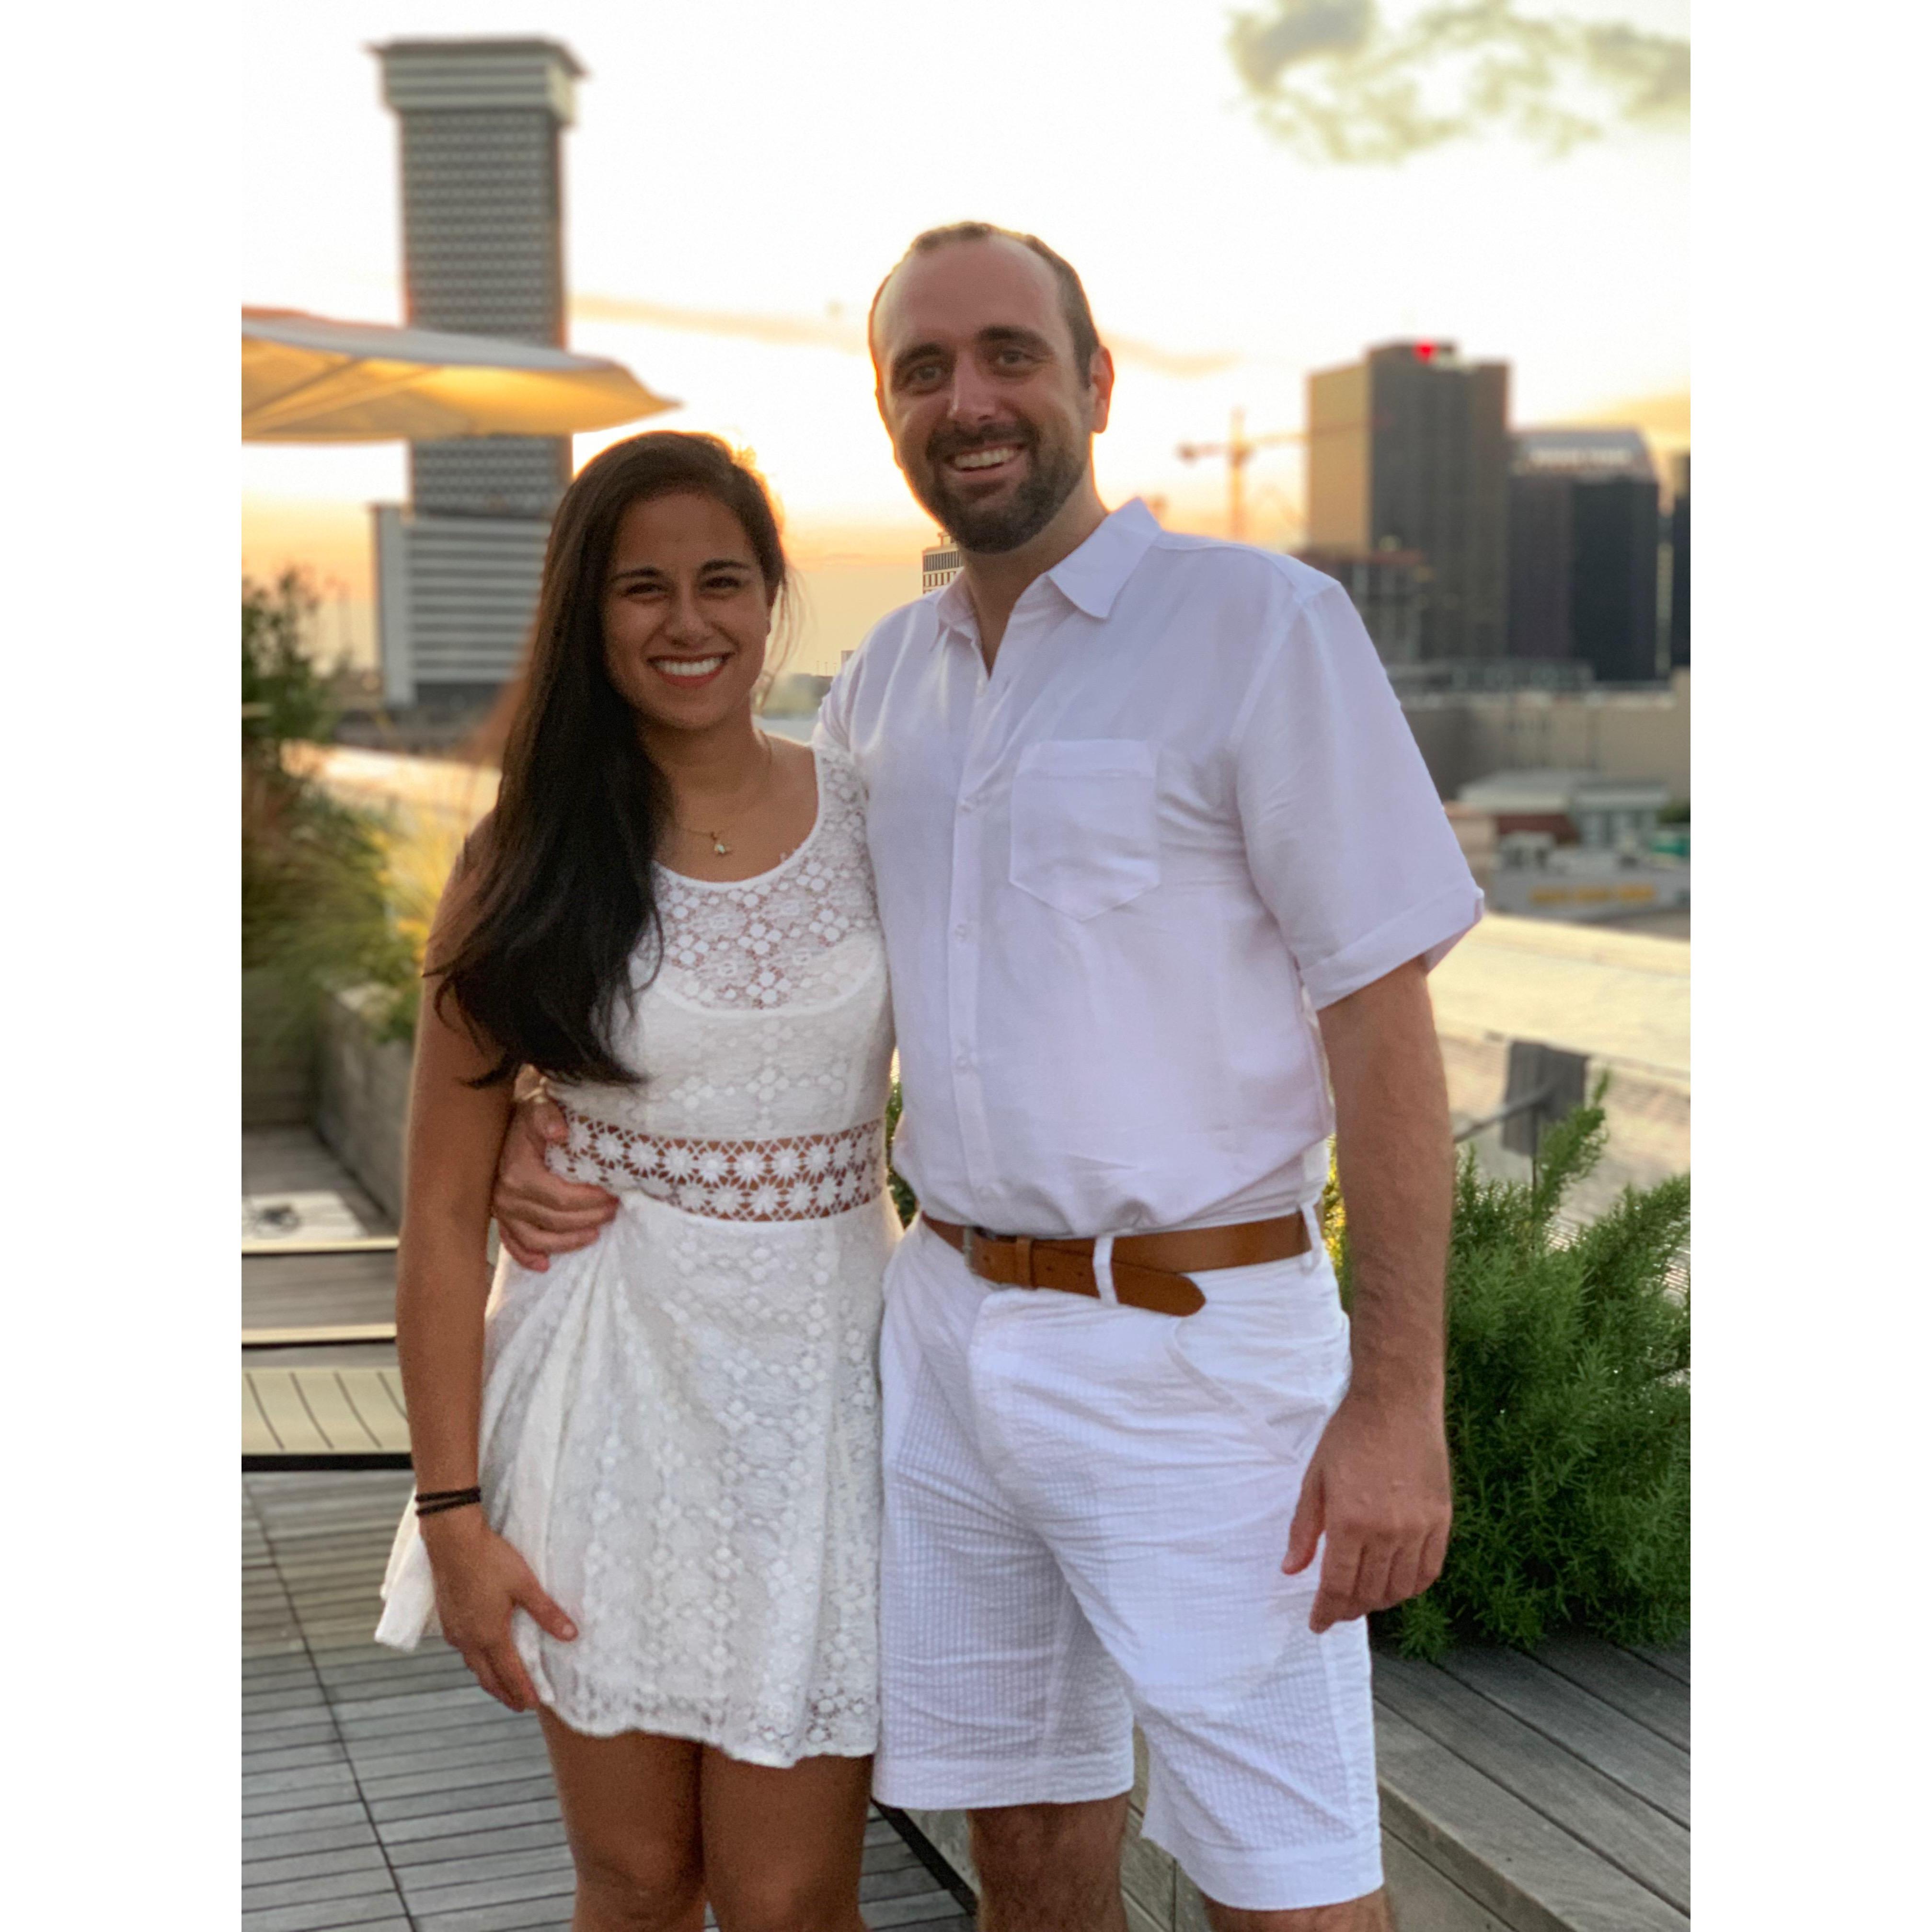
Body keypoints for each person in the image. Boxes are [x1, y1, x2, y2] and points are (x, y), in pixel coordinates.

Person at [496, 224, 1483, 1932]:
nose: (971, 401)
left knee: (1289, 1872)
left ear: (1095, 383)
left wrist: (1398, 1401)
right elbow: (752, 943)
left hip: (1201, 1351)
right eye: (923, 371)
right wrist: (545, 1107)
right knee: (1024, 1849)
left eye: (1010, 355)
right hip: (945, 1339)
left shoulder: (1258, 627)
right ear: (887, 414)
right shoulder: (888, 682)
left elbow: (1385, 1029)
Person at [372, 430, 898, 1932]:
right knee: (638, 1882)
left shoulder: (874, 814)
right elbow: (434, 1223)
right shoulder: (523, 859)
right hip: (605, 1410)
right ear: (586, 618)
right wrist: (456, 1518)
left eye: (722, 581)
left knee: (793, 1898)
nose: (688, 622)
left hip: (821, 1415)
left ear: (772, 595)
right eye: (642, 589)